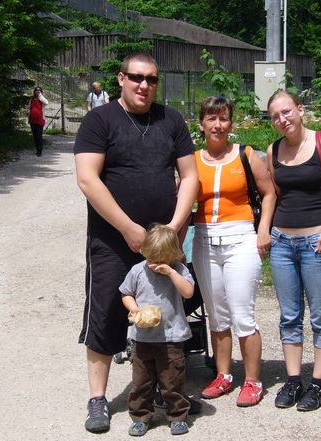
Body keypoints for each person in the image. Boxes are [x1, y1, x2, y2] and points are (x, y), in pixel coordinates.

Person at [73, 52, 198, 433]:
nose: (145, 85)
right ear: (121, 79)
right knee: (108, 312)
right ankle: (98, 399)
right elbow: (87, 179)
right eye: (137, 77)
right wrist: (128, 227)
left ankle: (164, 386)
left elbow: (190, 177)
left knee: (173, 309)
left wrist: (176, 225)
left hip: (164, 241)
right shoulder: (99, 120)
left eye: (152, 79)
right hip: (113, 240)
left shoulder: (171, 120)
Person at [266, 90, 321, 411]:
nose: (282, 119)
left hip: (318, 241)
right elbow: (273, 195)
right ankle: (293, 381)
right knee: (289, 317)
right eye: (275, 116)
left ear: (300, 110)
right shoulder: (273, 149)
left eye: (286, 112)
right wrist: (266, 231)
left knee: (320, 316)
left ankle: (318, 384)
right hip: (282, 243)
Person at [191, 96, 276, 407]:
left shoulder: (247, 155)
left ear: (231, 123)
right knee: (217, 315)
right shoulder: (192, 158)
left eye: (223, 119)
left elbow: (269, 194)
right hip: (204, 239)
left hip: (241, 240)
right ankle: (224, 376)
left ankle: (253, 381)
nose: (217, 125)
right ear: (201, 124)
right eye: (211, 119)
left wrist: (263, 230)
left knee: (242, 315)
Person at [120, 223, 194, 436]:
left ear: (173, 255)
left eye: (160, 260)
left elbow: (188, 292)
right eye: (151, 259)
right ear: (144, 252)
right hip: (142, 337)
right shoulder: (137, 271)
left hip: (171, 337)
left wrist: (171, 271)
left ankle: (178, 415)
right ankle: (140, 416)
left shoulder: (178, 270)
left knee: (173, 380)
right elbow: (126, 293)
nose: (154, 265)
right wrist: (134, 310)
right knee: (142, 382)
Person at [28, 86, 48, 157]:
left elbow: (46, 102)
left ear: (41, 92)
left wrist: (40, 95)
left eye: (39, 90)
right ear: (34, 91)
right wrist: (28, 115)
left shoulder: (42, 99)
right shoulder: (32, 99)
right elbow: (29, 108)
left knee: (39, 135)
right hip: (32, 119)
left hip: (40, 119)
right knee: (35, 135)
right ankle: (37, 149)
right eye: (36, 90)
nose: (38, 91)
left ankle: (39, 151)